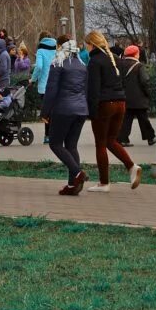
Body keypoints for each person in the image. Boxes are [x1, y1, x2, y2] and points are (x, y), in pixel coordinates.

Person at [84, 30, 139, 192]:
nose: (85, 48)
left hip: (104, 105)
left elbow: (93, 90)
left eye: (86, 45)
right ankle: (131, 166)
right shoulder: (114, 59)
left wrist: (91, 112)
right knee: (111, 140)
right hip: (120, 103)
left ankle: (104, 183)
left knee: (100, 144)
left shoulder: (94, 61)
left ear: (91, 44)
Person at [43, 36, 89, 195]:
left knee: (55, 144)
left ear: (61, 48)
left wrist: (45, 112)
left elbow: (51, 90)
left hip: (63, 109)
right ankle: (72, 186)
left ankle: (77, 173)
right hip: (81, 110)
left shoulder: (58, 64)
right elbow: (85, 89)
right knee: (71, 146)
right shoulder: (82, 66)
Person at [118, 45, 155, 147]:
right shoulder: (139, 66)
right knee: (143, 119)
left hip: (124, 97)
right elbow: (144, 81)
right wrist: (148, 93)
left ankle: (122, 139)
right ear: (136, 54)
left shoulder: (120, 64)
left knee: (126, 119)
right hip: (139, 99)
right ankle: (150, 137)